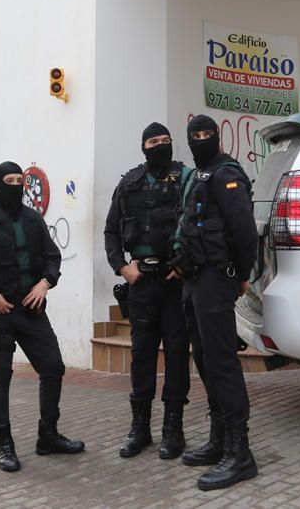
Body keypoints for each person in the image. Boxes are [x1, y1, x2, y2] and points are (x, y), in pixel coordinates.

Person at [0, 161, 85, 473]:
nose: (15, 185)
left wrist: (45, 283)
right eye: (9, 180)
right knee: (0, 379)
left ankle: (48, 435)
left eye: (20, 180)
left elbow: (53, 257)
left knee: (53, 367)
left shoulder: (33, 219)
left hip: (31, 310)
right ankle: (4, 444)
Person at [172, 114, 259, 491]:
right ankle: (219, 439)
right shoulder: (197, 176)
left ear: (218, 138)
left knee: (222, 362)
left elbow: (242, 229)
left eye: (208, 134)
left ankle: (240, 455)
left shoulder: (227, 173)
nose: (201, 139)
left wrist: (241, 274)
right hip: (194, 280)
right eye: (196, 135)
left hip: (216, 278)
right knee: (204, 359)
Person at [103, 122, 191, 459]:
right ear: (143, 146)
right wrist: (122, 267)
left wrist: (185, 265)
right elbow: (111, 232)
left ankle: (174, 430)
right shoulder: (129, 183)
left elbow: (197, 223)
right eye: (153, 141)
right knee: (141, 356)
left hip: (175, 283)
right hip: (141, 284)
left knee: (177, 354)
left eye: (165, 141)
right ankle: (140, 428)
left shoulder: (185, 179)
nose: (159, 146)